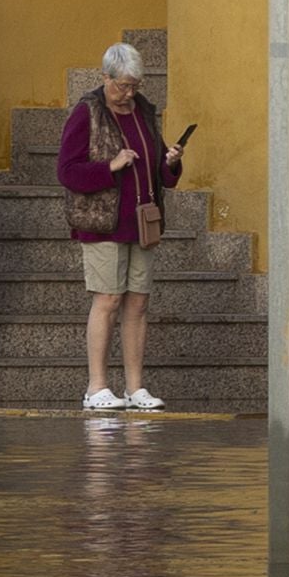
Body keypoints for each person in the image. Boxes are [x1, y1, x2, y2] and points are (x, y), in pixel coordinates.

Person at [56, 42, 184, 411]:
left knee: (138, 304)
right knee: (108, 299)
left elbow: (161, 173)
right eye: (122, 86)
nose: (129, 93)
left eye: (135, 85)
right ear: (105, 77)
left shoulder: (143, 110)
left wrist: (171, 163)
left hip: (143, 221)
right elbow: (66, 171)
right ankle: (96, 387)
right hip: (102, 223)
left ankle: (135, 388)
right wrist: (109, 167)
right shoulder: (88, 112)